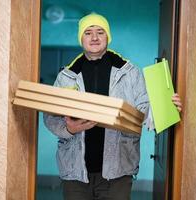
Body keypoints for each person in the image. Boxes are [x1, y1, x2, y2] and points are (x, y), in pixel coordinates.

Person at [43, 13, 182, 200]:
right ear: (81, 38)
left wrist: (168, 107)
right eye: (88, 32)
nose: (94, 37)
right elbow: (50, 116)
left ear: (108, 36)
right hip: (75, 171)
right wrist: (69, 128)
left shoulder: (129, 72)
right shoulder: (66, 76)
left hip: (118, 171)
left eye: (100, 32)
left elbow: (144, 110)